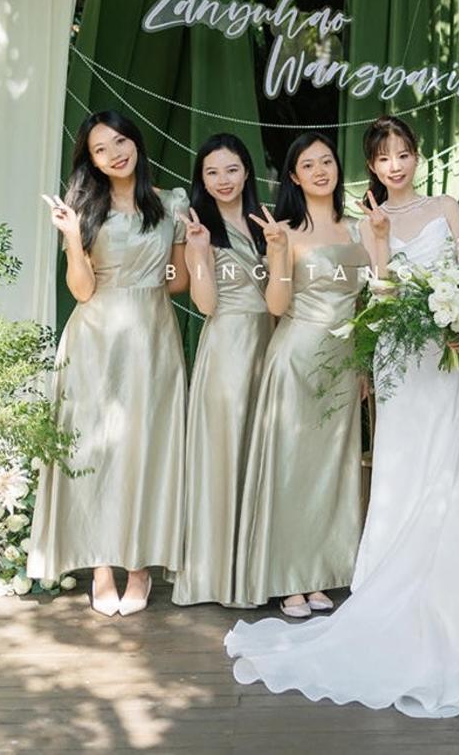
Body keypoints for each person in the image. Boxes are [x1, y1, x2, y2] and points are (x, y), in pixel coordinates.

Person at [224, 116, 459, 718]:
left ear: (417, 156)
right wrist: (377, 241)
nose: (394, 165)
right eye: (383, 157)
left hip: (447, 357)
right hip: (401, 359)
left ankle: (454, 594)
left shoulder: (448, 206)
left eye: (403, 153)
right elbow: (381, 291)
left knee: (452, 469)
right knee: (401, 473)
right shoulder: (366, 222)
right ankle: (388, 586)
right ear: (372, 166)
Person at [27, 109, 189, 617]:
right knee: (95, 448)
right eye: (101, 149)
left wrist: (178, 257)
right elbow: (81, 290)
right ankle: (100, 565)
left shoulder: (172, 203)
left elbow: (178, 282)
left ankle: (138, 565)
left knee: (145, 448)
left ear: (135, 141)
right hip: (94, 340)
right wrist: (74, 239)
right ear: (91, 161)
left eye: (120, 141)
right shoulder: (82, 209)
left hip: (153, 338)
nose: (114, 153)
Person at [230, 131, 370, 616]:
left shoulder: (359, 230)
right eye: (308, 165)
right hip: (295, 358)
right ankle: (289, 578)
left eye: (326, 161)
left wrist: (364, 364)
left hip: (344, 364)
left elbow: (372, 303)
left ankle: (321, 574)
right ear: (293, 176)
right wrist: (277, 254)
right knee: (291, 470)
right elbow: (275, 305)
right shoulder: (284, 232)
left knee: (332, 471)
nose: (319, 171)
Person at [171, 134, 274, 607]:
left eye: (231, 169)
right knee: (224, 453)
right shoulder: (200, 226)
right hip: (228, 348)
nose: (223, 180)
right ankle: (216, 576)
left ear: (247, 171)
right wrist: (198, 254)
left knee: (260, 457)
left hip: (270, 345)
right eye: (211, 173)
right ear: (202, 179)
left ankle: (257, 571)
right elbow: (206, 304)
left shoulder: (266, 222)